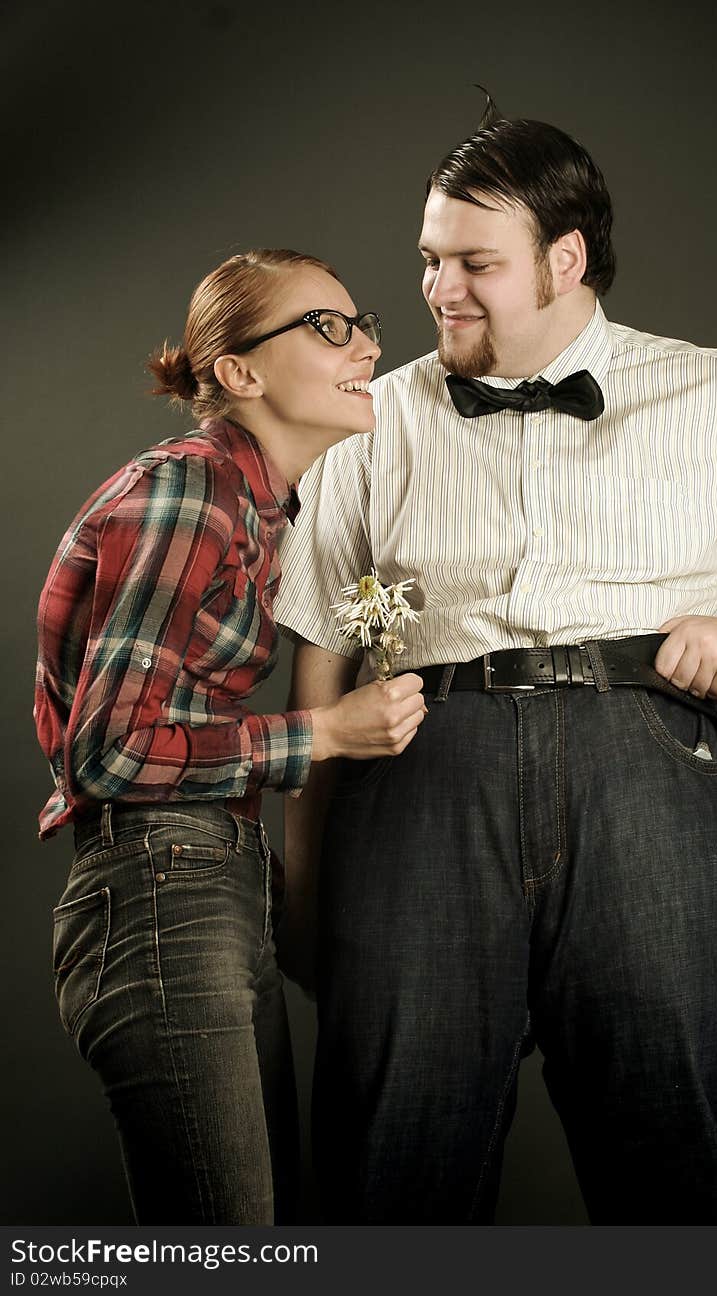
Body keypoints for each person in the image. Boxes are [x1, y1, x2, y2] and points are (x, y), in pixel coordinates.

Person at [273, 108, 717, 1224]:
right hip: (419, 778)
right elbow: (318, 655)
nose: (439, 288)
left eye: (473, 264)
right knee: (389, 1155)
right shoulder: (373, 417)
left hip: (642, 769)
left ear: (565, 259)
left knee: (670, 1139)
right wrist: (302, 893)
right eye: (428, 260)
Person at [34, 247, 426, 1226]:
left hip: (211, 881)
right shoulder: (190, 489)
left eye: (363, 323)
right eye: (327, 328)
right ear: (241, 372)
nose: (367, 345)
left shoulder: (259, 512)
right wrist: (324, 733)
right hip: (164, 888)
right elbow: (109, 753)